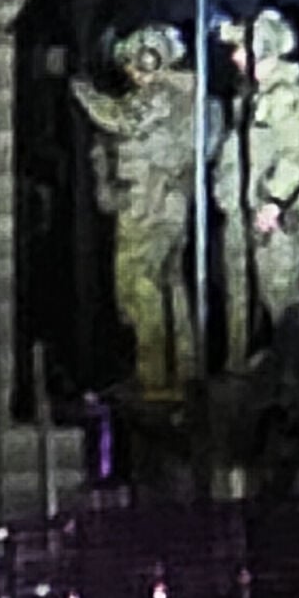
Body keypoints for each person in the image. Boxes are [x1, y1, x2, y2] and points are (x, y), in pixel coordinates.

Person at [71, 24, 219, 397]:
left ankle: (154, 377)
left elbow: (120, 118)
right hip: (168, 202)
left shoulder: (163, 94)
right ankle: (184, 370)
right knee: (169, 282)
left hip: (150, 204)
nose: (130, 72)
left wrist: (83, 92)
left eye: (133, 63)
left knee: (141, 285)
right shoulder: (187, 93)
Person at [214, 9, 299, 369]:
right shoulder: (249, 97)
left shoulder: (289, 96)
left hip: (273, 216)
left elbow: (296, 155)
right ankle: (237, 370)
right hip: (240, 210)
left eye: (240, 49)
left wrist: (275, 201)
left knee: (281, 296)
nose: (234, 57)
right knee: (237, 295)